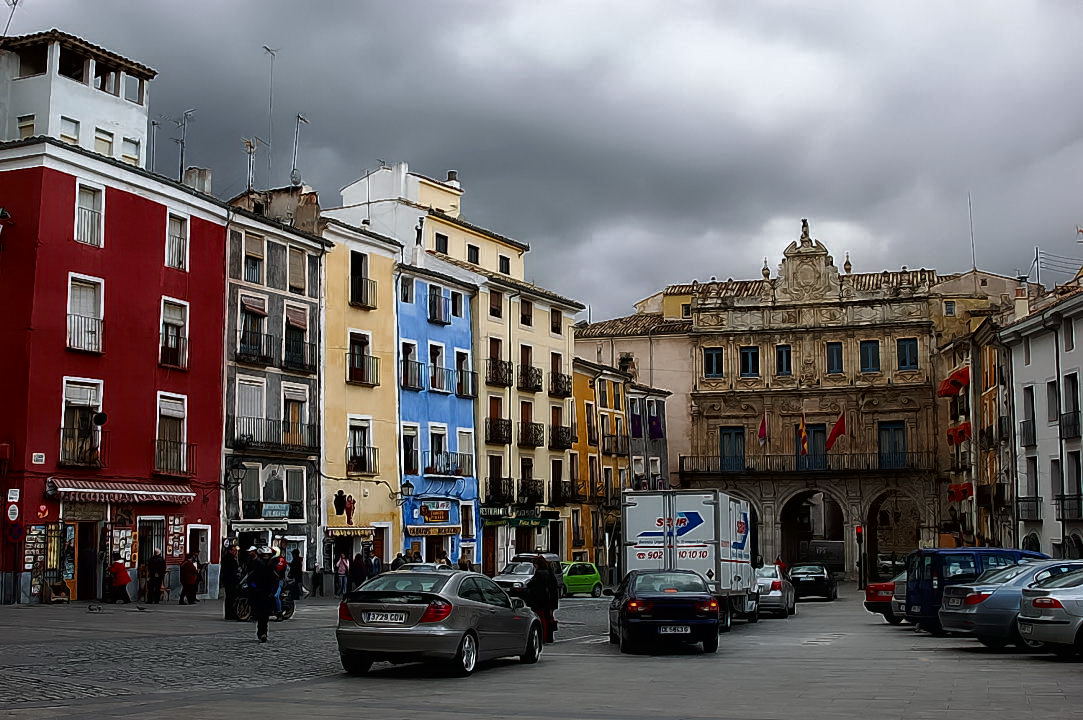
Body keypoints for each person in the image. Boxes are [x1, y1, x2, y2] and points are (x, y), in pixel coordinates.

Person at [248, 546, 279, 643]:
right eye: (264, 555)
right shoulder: (256, 565)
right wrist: (255, 588)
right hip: (258, 593)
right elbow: (250, 580)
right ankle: (261, 632)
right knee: (260, 614)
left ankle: (263, 633)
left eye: (267, 556)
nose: (266, 557)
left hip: (267, 594)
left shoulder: (272, 567)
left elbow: (276, 581)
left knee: (265, 616)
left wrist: (272, 592)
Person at [524, 556, 559, 643]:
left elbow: (535, 587)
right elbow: (554, 588)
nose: (534, 566)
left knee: (541, 619)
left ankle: (543, 637)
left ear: (538, 564)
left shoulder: (540, 574)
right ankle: (549, 638)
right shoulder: (550, 572)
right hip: (549, 601)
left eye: (535, 564)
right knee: (548, 619)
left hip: (541, 601)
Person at [221, 544, 240, 619]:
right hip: (230, 581)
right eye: (234, 550)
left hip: (229, 580)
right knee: (230, 598)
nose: (235, 552)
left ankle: (229, 614)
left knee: (230, 597)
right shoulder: (229, 558)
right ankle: (230, 614)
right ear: (230, 551)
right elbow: (230, 571)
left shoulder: (231, 558)